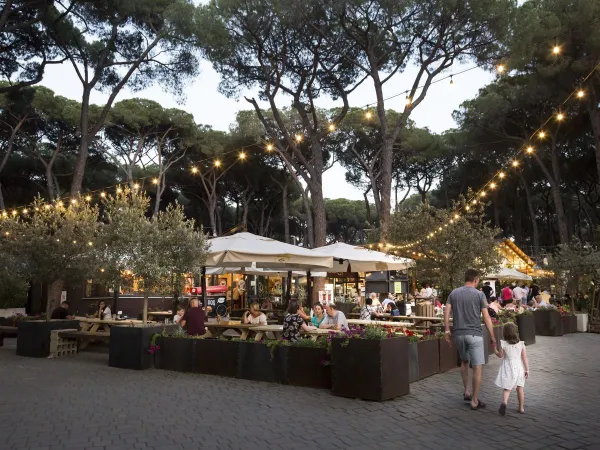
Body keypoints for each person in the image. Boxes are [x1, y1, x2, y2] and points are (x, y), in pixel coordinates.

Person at [444, 269, 496, 410]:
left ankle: (466, 391)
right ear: (476, 280)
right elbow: (486, 316)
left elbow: (447, 311)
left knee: (465, 361)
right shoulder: (479, 294)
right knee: (477, 367)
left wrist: (447, 329)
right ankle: (474, 400)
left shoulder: (454, 293)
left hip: (459, 334)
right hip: (475, 334)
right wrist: (492, 336)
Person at [493, 322, 529, 415]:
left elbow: (500, 356)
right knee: (520, 388)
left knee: (507, 388)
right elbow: (524, 358)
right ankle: (521, 408)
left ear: (505, 333)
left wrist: (494, 350)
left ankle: (504, 402)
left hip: (508, 367)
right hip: (519, 368)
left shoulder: (503, 344)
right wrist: (527, 369)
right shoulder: (521, 344)